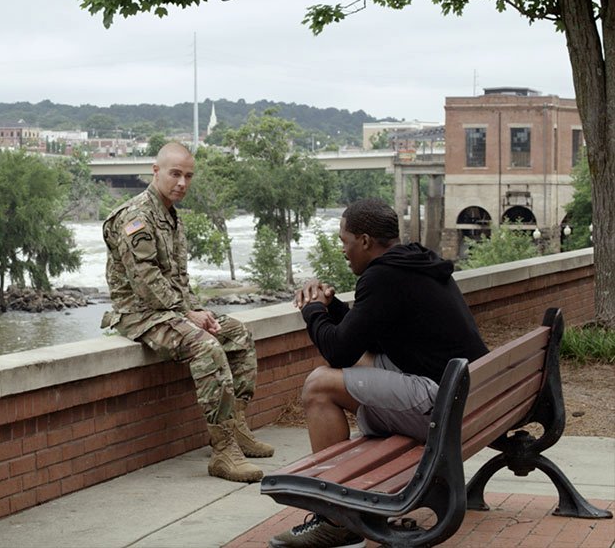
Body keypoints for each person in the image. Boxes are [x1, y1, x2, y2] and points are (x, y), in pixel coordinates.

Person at [269, 198, 489, 548]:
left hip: (446, 411)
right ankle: (352, 502)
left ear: (366, 241)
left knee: (318, 386)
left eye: (345, 241)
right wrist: (333, 307)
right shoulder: (413, 261)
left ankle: (338, 518)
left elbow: (338, 350)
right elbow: (364, 332)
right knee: (353, 370)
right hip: (476, 401)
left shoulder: (383, 276)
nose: (343, 250)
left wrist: (311, 311)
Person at [101, 142, 273, 483]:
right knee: (205, 346)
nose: (182, 182)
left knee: (236, 332)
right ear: (156, 171)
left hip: (171, 311)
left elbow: (178, 279)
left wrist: (196, 309)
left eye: (188, 176)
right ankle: (223, 451)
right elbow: (146, 282)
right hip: (139, 316)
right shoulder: (135, 218)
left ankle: (236, 428)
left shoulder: (171, 217)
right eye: (175, 174)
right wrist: (187, 313)